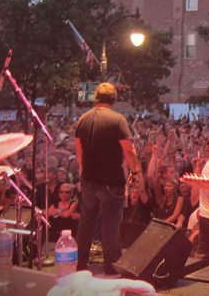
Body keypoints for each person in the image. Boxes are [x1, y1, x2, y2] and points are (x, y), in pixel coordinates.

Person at [74, 83, 143, 275]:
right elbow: (129, 150)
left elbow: (78, 151)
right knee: (110, 225)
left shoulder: (82, 119)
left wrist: (84, 172)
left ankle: (80, 264)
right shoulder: (117, 120)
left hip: (89, 180)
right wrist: (134, 172)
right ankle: (111, 267)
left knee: (86, 223)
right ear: (114, 99)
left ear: (96, 97)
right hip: (111, 182)